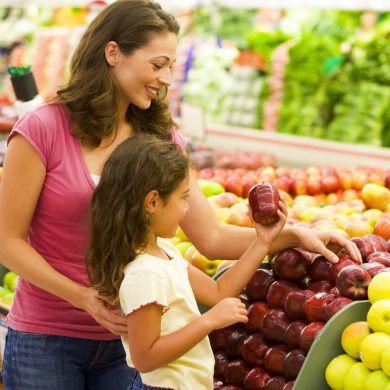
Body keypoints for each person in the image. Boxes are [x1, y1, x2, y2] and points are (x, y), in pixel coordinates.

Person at [0, 0, 360, 388]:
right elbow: (7, 241)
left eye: (171, 65)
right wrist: (82, 297)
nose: (167, 78)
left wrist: (298, 233)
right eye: (157, 65)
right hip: (47, 338)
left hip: (135, 342)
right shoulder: (43, 128)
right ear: (113, 53)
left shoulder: (162, 140)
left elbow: (212, 237)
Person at [86, 135, 288, 389]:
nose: (186, 209)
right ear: (152, 202)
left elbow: (218, 292)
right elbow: (145, 357)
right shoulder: (144, 273)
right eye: (183, 198)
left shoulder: (165, 253)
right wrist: (208, 321)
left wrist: (263, 242)